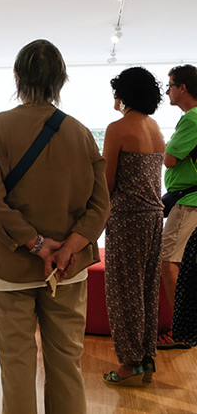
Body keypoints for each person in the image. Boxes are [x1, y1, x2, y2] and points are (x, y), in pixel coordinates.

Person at [0, 39, 109, 413]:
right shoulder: (81, 134)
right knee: (67, 363)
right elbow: (101, 204)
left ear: (17, 78)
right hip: (68, 269)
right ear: (61, 81)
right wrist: (68, 247)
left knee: (17, 365)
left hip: (10, 265)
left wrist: (37, 244)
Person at [101, 67, 165, 386]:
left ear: (123, 94)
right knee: (147, 288)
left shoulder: (117, 129)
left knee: (123, 290)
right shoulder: (154, 127)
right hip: (155, 215)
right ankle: (146, 355)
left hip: (127, 218)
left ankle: (129, 363)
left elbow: (107, 182)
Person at [158, 64, 197, 349]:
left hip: (189, 201)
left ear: (183, 87)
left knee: (168, 261)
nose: (167, 90)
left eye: (170, 85)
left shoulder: (193, 118)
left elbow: (169, 159)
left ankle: (182, 330)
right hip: (188, 199)